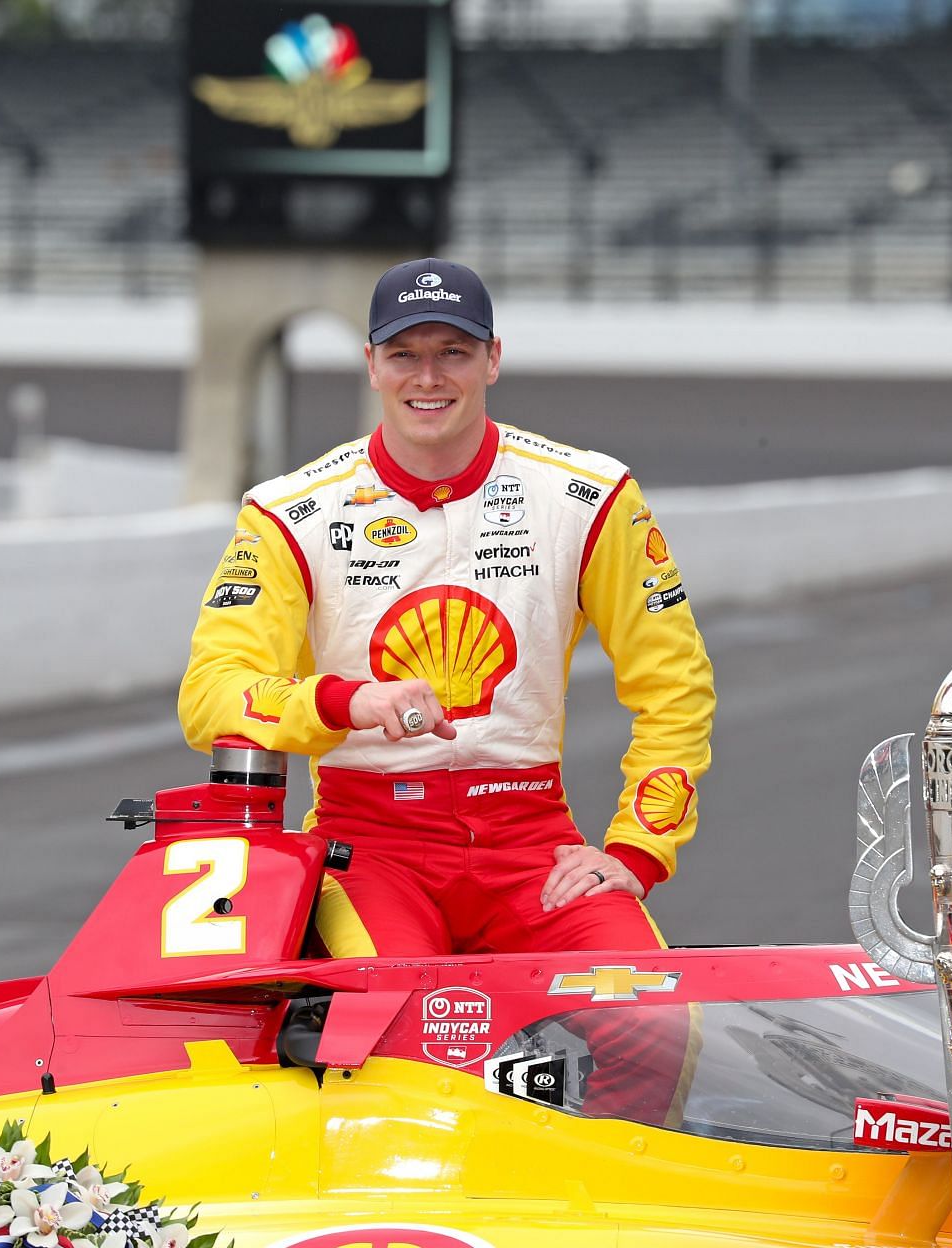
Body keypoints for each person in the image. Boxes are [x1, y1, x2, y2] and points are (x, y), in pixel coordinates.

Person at [179, 257, 715, 963]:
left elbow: (674, 688)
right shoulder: (288, 513)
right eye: (404, 354)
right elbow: (209, 694)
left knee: (656, 1017)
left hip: (532, 849)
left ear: (492, 359)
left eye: (452, 352)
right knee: (402, 1014)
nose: (427, 378)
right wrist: (348, 702)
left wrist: (637, 852)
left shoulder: (589, 496)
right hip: (369, 850)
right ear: (372, 364)